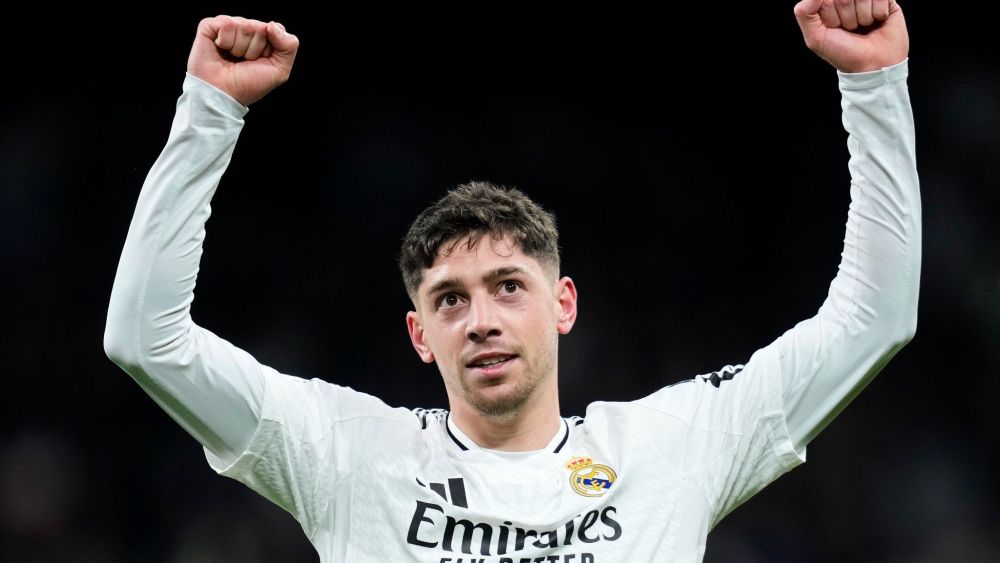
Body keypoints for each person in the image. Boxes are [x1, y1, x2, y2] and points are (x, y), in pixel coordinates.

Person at [103, 0, 920, 561]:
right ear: (420, 334)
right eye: (449, 299)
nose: (481, 319)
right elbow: (146, 339)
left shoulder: (673, 447)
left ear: (563, 304)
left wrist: (875, 84)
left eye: (508, 286)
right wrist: (209, 111)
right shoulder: (348, 455)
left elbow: (874, 318)